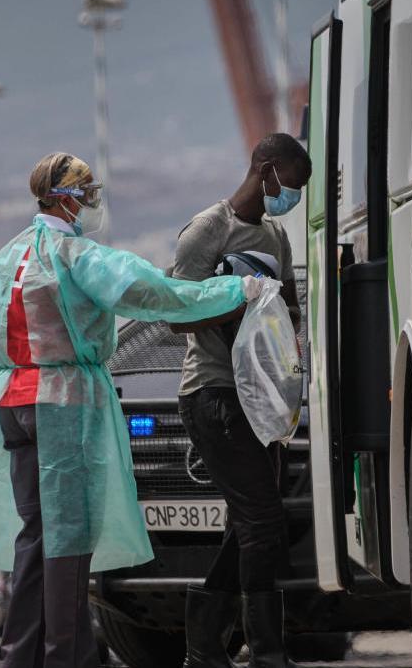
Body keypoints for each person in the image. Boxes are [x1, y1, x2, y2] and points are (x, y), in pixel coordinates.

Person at [0, 152, 262, 668]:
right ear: (68, 199)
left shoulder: (6, 258)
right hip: (63, 405)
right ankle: (69, 657)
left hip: (13, 400)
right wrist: (232, 290)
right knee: (68, 540)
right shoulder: (76, 256)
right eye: (88, 195)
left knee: (34, 538)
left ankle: (22, 656)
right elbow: (154, 295)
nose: (92, 205)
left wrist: (8, 394)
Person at [170, 133, 311, 668]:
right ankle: (265, 651)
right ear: (268, 171)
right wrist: (239, 302)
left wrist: (280, 328)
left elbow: (289, 310)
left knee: (253, 524)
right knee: (262, 521)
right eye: (292, 186)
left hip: (262, 399)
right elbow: (175, 314)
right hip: (212, 394)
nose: (291, 197)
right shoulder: (208, 231)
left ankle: (205, 647)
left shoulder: (275, 238)